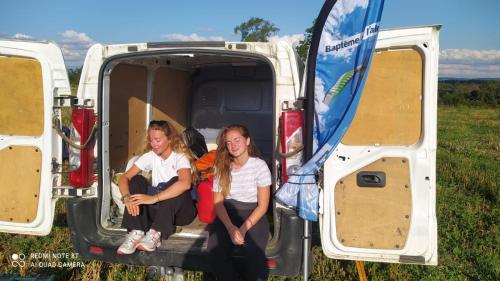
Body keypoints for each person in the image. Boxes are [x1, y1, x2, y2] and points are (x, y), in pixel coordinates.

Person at [116, 120, 197, 254]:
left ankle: (155, 233)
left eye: (157, 140)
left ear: (169, 139)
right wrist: (126, 197)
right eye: (151, 140)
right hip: (159, 210)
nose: (153, 144)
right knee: (136, 180)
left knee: (176, 182)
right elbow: (124, 177)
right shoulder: (150, 156)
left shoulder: (180, 157)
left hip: (181, 213)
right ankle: (136, 232)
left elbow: (185, 183)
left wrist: (154, 198)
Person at [207, 124, 272, 281]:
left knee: (255, 255)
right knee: (215, 252)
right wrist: (230, 228)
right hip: (227, 212)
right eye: (228, 142)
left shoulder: (259, 166)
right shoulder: (222, 167)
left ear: (248, 141)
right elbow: (218, 203)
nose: (233, 145)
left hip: (252, 213)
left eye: (237, 140)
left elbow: (263, 206)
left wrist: (242, 229)